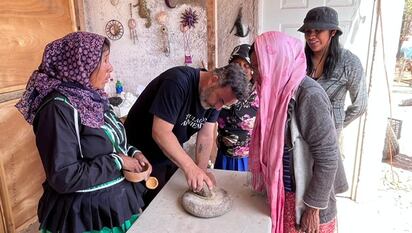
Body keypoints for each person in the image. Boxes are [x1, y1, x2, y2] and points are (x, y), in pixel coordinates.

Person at [15, 32, 151, 233]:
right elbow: (64, 176)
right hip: (84, 217)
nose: (110, 67)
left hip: (114, 206)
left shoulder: (93, 99)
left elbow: (111, 142)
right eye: (104, 60)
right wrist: (119, 162)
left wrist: (133, 153)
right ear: (80, 65)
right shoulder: (57, 109)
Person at [249, 31, 348, 233]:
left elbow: (328, 158)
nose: (255, 73)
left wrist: (312, 209)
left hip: (308, 203)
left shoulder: (309, 96)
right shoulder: (276, 95)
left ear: (278, 62)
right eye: (253, 67)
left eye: (259, 66)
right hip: (286, 196)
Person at [124, 63, 250, 204]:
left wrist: (201, 172)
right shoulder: (177, 82)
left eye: (224, 105)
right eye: (220, 100)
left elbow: (206, 136)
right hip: (141, 152)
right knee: (154, 204)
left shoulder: (215, 95)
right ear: (214, 80)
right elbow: (161, 132)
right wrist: (190, 167)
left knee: (173, 198)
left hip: (169, 150)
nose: (219, 107)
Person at [298, 6, 368, 136]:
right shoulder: (299, 59)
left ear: (333, 32)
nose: (311, 36)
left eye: (318, 30)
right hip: (297, 132)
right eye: (308, 31)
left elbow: (360, 105)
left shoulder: (349, 62)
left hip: (327, 137)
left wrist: (336, 123)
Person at [214, 44, 258, 171]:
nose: (242, 69)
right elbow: (210, 123)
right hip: (223, 155)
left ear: (252, 69)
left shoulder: (259, 95)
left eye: (246, 65)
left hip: (247, 158)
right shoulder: (221, 90)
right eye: (237, 64)